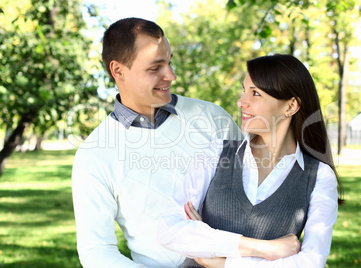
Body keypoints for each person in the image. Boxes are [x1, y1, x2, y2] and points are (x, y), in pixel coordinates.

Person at [71, 17, 244, 268]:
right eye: (155, 68)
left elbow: (261, 192)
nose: (171, 76)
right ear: (118, 71)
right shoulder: (94, 154)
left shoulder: (212, 118)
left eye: (170, 62)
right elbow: (96, 251)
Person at [158, 54, 344, 267]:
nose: (241, 102)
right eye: (244, 90)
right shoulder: (215, 152)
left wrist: (219, 260)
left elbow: (310, 262)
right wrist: (264, 249)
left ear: (291, 106)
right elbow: (169, 229)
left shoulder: (319, 175)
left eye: (255, 93)